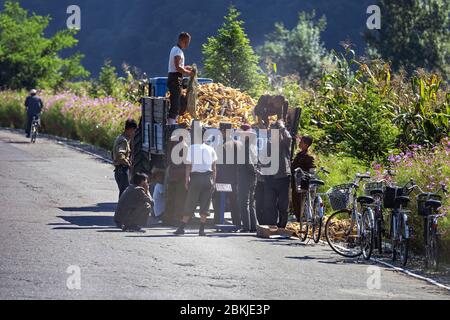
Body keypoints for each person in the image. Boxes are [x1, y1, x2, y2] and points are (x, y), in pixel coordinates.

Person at [174, 134, 218, 236]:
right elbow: (214, 168)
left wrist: (186, 180)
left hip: (196, 178)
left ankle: (181, 228)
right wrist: (214, 182)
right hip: (208, 178)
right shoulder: (211, 149)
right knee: (205, 204)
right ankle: (201, 230)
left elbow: (188, 166)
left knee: (190, 202)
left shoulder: (191, 148)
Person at [262, 120, 292, 228]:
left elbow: (289, 138)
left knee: (283, 205)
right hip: (271, 178)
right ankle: (271, 225)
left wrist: (282, 127)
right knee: (269, 204)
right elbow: (264, 159)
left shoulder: (284, 143)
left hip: (283, 177)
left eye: (276, 132)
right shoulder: (269, 144)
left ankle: (282, 226)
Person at [212, 123, 239, 227]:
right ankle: (236, 222)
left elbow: (218, 163)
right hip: (233, 178)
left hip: (223, 177)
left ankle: (218, 221)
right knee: (234, 202)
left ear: (223, 131)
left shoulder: (223, 145)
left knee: (219, 201)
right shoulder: (236, 143)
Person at [167, 32, 193, 125]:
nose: (187, 44)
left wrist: (185, 68)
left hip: (176, 77)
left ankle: (175, 120)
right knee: (175, 103)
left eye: (188, 42)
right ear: (181, 40)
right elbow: (177, 67)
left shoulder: (177, 50)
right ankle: (171, 124)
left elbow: (178, 67)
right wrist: (188, 73)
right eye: (186, 42)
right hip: (175, 78)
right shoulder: (177, 51)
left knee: (181, 101)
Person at [236, 124, 258, 232]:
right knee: (251, 202)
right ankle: (253, 226)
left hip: (245, 175)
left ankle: (246, 227)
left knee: (244, 202)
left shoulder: (245, 146)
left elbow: (248, 163)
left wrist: (252, 171)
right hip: (252, 176)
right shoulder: (253, 146)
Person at [164, 134, 188, 226]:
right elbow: (186, 162)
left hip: (172, 173)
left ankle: (167, 219)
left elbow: (167, 159)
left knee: (170, 198)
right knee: (180, 199)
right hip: (180, 175)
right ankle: (177, 219)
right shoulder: (185, 146)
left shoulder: (171, 144)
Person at [291, 136, 316, 222]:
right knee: (295, 201)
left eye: (301, 141)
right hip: (295, 181)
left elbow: (312, 171)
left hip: (302, 183)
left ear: (306, 144)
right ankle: (299, 219)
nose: (299, 143)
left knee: (300, 202)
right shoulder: (299, 154)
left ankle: (301, 220)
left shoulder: (309, 157)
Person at [112, 119, 137, 198]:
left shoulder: (120, 138)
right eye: (134, 131)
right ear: (130, 129)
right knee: (124, 195)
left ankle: (122, 209)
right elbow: (120, 156)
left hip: (120, 171)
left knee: (124, 194)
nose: (133, 133)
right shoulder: (123, 141)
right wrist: (129, 164)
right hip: (122, 171)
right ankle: (122, 210)